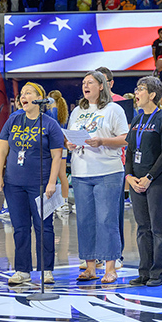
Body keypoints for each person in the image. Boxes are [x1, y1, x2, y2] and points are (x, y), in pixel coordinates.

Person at [0, 82, 64, 285]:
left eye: (28, 93)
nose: (23, 97)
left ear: (39, 98)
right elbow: (2, 150)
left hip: (40, 183)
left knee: (44, 227)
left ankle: (46, 270)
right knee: (20, 227)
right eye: (21, 94)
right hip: (14, 184)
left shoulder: (50, 124)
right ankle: (22, 270)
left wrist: (52, 182)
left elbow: (57, 155)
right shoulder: (13, 120)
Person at [66, 71, 128, 284]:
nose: (85, 85)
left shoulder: (114, 109)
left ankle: (110, 268)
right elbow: (70, 137)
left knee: (106, 220)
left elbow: (125, 139)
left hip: (108, 171)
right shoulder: (77, 111)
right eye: (83, 82)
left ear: (101, 86)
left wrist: (102, 141)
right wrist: (70, 144)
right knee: (85, 220)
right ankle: (90, 267)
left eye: (89, 82)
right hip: (81, 172)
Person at [125, 76, 162, 287]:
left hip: (156, 181)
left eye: (141, 89)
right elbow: (129, 150)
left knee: (158, 227)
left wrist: (149, 177)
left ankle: (159, 273)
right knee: (142, 227)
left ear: (152, 94)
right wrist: (129, 176)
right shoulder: (137, 120)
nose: (137, 93)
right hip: (136, 180)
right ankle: (144, 271)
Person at [47, 90, 72, 215]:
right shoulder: (64, 112)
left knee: (53, 176)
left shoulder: (51, 112)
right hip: (64, 147)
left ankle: (56, 203)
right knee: (62, 175)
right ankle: (64, 202)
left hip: (54, 148)